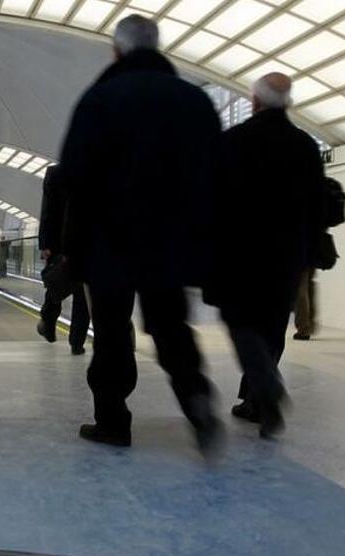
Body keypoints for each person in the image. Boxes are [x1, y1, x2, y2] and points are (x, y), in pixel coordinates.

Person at [60, 14, 223, 454]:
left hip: (110, 239)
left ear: (117, 51)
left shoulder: (101, 98)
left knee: (111, 332)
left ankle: (113, 421)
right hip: (171, 240)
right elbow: (215, 174)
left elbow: (74, 173)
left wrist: (75, 245)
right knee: (171, 326)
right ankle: (197, 399)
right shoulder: (194, 101)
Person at [206, 73, 326, 438]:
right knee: (273, 326)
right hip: (287, 254)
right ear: (287, 102)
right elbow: (318, 205)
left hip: (241, 251)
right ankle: (256, 401)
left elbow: (214, 199)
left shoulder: (234, 141)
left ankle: (266, 389)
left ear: (255, 101)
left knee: (242, 322)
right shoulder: (305, 145)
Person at [37, 164, 90, 355]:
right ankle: (65, 332)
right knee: (68, 287)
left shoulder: (56, 173)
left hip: (72, 242)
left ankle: (67, 335)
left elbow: (47, 210)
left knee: (70, 288)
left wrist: (45, 244)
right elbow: (47, 210)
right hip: (72, 242)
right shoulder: (58, 173)